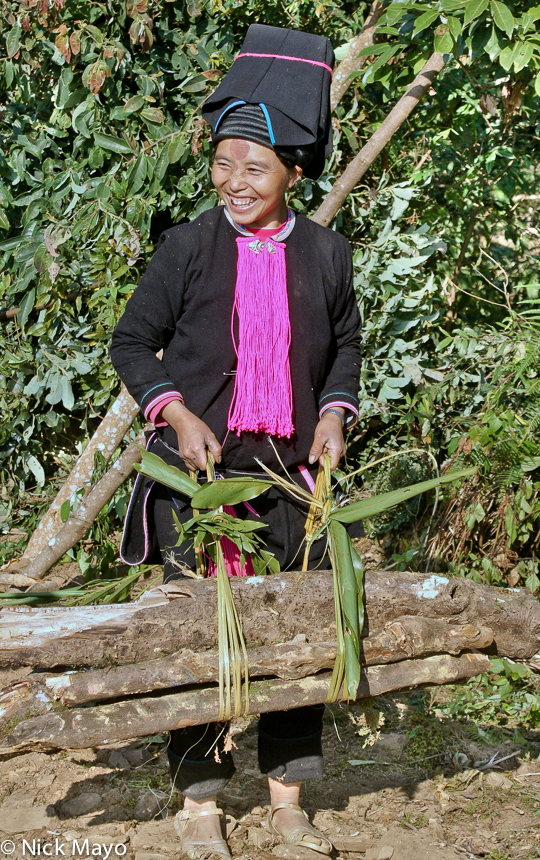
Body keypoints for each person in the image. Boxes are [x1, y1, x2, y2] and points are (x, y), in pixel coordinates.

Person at [110, 23, 361, 860]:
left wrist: (332, 414)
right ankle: (201, 802)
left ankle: (288, 800)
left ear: (295, 171)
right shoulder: (187, 248)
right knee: (200, 642)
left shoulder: (327, 257)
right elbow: (130, 343)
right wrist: (177, 415)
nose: (234, 182)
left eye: (255, 168)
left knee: (300, 632)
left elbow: (347, 348)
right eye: (223, 163)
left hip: (293, 487)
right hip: (202, 490)